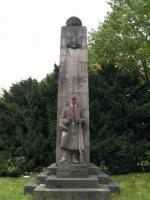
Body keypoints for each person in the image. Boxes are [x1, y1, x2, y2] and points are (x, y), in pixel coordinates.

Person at [59, 96, 85, 164]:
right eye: (72, 99)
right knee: (64, 141)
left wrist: (80, 120)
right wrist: (67, 120)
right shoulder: (66, 108)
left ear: (76, 100)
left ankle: (74, 158)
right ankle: (64, 157)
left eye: (74, 99)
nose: (73, 100)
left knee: (75, 143)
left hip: (76, 128)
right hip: (67, 127)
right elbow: (61, 119)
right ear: (70, 100)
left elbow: (84, 119)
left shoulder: (79, 109)